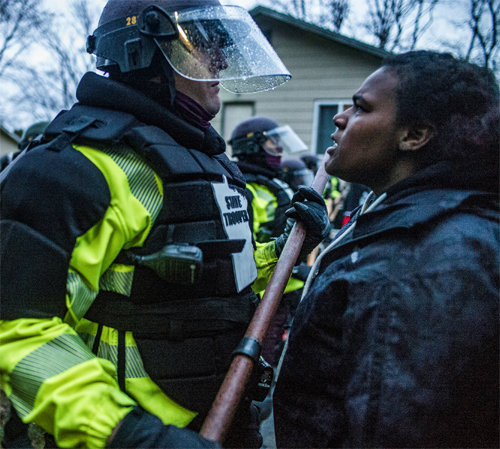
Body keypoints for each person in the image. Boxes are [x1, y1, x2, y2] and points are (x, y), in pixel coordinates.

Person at [0, 1, 330, 448]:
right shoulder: (74, 166)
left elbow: (216, 280)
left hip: (222, 420)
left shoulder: (211, 162)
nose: (222, 60)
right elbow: (18, 329)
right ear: (141, 48)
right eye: (203, 43)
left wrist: (284, 249)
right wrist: (129, 435)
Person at [273, 50, 499, 448]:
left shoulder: (419, 257)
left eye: (361, 107)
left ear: (413, 135)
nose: (340, 118)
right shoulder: (404, 214)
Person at [228, 117, 314, 367]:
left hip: (285, 288)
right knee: (261, 360)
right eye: (271, 142)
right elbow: (245, 253)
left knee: (279, 350)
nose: (278, 148)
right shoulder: (244, 189)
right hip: (263, 295)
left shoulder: (274, 184)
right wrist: (298, 270)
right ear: (252, 146)